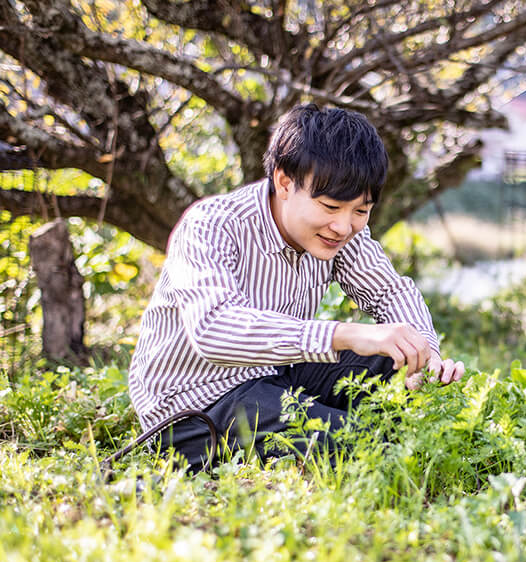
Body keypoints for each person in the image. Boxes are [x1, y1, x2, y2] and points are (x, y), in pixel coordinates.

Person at [128, 103, 465, 470]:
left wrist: (425, 354)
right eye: (330, 207)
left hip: (276, 373)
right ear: (284, 182)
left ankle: (399, 434)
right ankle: (378, 445)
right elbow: (212, 329)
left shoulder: (341, 233)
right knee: (361, 446)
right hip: (195, 406)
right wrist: (344, 334)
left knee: (394, 357)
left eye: (360, 210)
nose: (344, 227)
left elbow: (389, 292)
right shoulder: (211, 226)